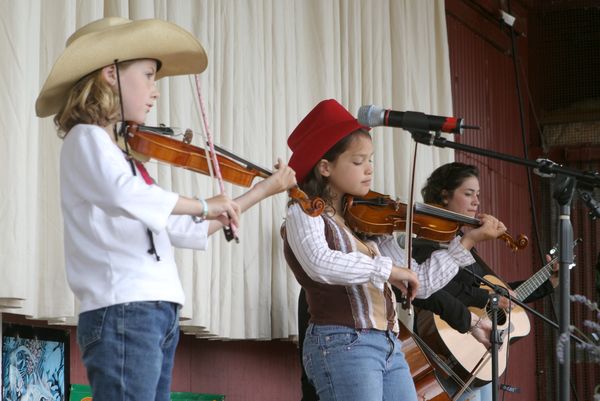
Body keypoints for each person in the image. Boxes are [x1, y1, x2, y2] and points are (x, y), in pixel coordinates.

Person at [35, 17, 296, 401]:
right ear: (110, 74)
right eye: (149, 75)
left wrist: (262, 191)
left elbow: (182, 227)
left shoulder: (124, 158)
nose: (155, 92)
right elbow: (128, 196)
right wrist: (206, 204)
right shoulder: (85, 139)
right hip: (124, 308)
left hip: (156, 310)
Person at [282, 99, 507, 401]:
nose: (369, 170)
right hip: (342, 343)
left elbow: (422, 283)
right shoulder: (304, 212)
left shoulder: (367, 223)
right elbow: (320, 263)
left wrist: (465, 242)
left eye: (371, 160)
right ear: (325, 167)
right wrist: (386, 269)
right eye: (358, 161)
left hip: (388, 343)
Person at [411, 161, 558, 401]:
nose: (476, 202)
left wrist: (549, 282)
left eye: (478, 195)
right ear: (444, 195)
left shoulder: (462, 240)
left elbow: (502, 295)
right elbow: (439, 287)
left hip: (479, 350)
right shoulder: (428, 240)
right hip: (446, 345)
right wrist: (490, 296)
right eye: (468, 194)